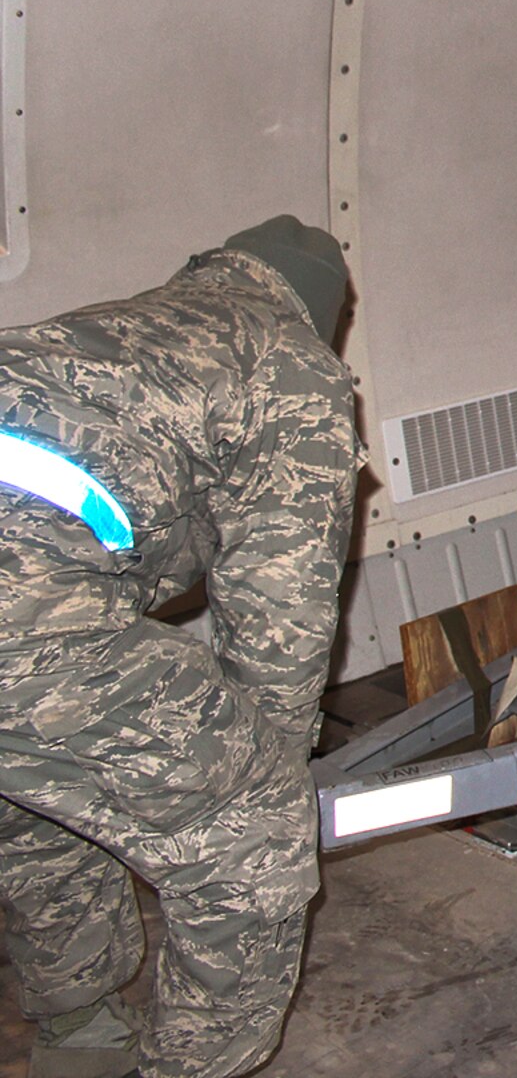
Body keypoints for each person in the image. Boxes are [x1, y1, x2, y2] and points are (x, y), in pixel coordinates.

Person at [0, 218, 360, 1078]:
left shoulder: (139, 329)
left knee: (40, 792)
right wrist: (264, 761)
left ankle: (79, 1032)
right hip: (20, 612)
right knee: (249, 827)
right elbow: (284, 616)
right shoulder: (292, 368)